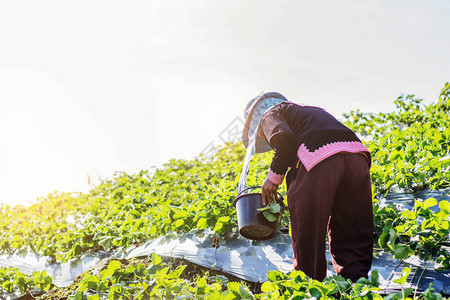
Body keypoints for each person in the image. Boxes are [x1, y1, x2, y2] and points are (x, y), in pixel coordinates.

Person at [241, 92, 373, 282]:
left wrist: (273, 179)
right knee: (351, 226)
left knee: (307, 227)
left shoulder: (268, 114)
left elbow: (284, 139)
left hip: (319, 158)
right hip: (357, 156)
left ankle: (309, 286)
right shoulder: (306, 110)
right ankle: (355, 285)